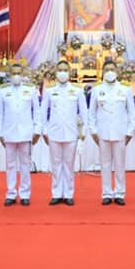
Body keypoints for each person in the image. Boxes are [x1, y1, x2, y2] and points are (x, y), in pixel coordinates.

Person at [87, 60, 135, 206]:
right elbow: (92, 113)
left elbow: (131, 113)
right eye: (106, 69)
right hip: (103, 133)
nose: (109, 71)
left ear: (117, 71)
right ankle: (107, 193)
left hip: (120, 133)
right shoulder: (97, 90)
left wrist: (129, 132)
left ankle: (120, 193)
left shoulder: (125, 89)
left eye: (112, 69)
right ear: (102, 72)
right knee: (105, 164)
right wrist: (93, 131)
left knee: (120, 165)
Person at [41, 60, 87, 206]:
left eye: (65, 70)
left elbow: (84, 114)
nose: (62, 72)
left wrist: (83, 133)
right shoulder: (49, 91)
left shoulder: (77, 90)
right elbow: (43, 113)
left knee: (68, 164)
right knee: (55, 164)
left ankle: (68, 193)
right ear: (56, 72)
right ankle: (56, 193)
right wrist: (44, 131)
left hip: (71, 132)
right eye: (59, 70)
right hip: (54, 132)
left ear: (69, 72)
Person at [0, 63, 42, 206]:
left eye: (18, 73)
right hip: (9, 132)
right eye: (13, 73)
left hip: (26, 133)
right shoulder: (3, 91)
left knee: (25, 165)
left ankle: (25, 194)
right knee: (10, 165)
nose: (16, 76)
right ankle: (10, 193)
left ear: (22, 75)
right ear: (10, 75)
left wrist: (37, 130)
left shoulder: (31, 90)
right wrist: (0, 133)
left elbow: (37, 112)